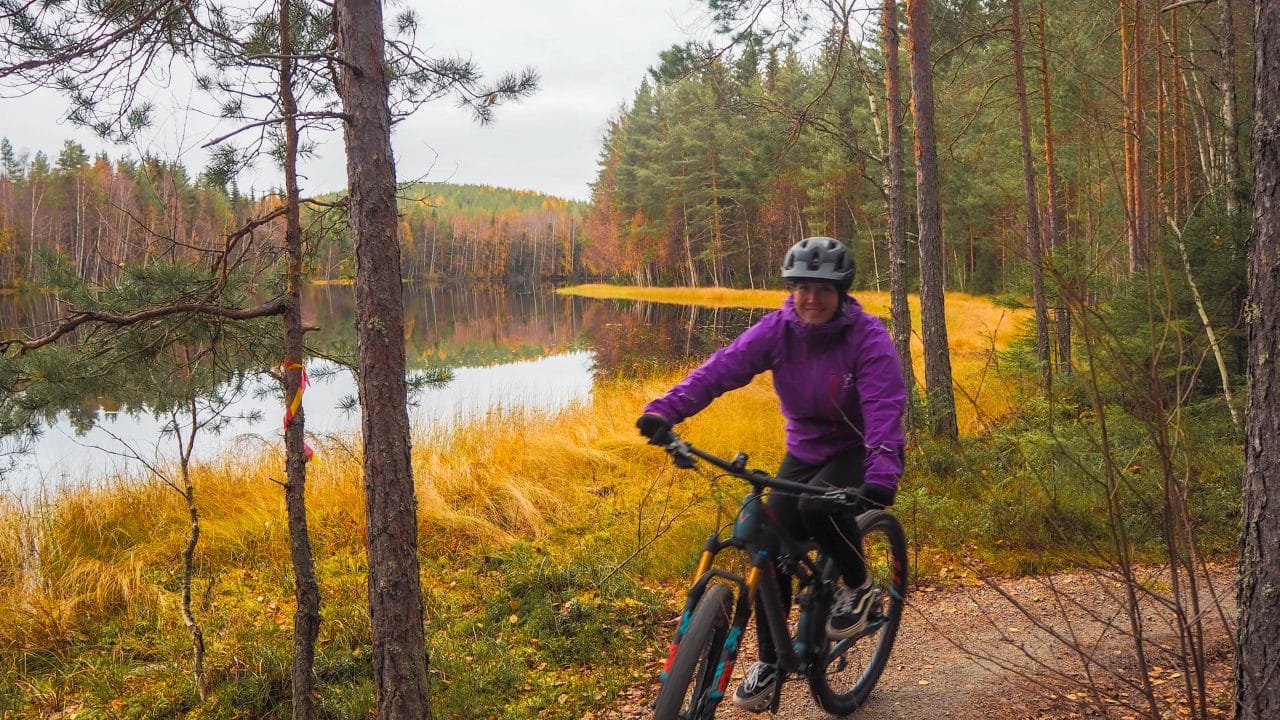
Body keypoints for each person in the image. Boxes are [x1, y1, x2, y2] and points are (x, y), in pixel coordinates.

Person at [636, 236, 907, 712]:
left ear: (841, 291)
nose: (811, 298)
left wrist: (882, 473)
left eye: (823, 288)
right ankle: (770, 661)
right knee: (769, 537)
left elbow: (884, 407)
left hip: (852, 449)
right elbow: (720, 370)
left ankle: (860, 586)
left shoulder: (867, 337)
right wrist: (664, 412)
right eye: (802, 286)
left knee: (815, 505)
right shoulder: (778, 330)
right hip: (802, 449)